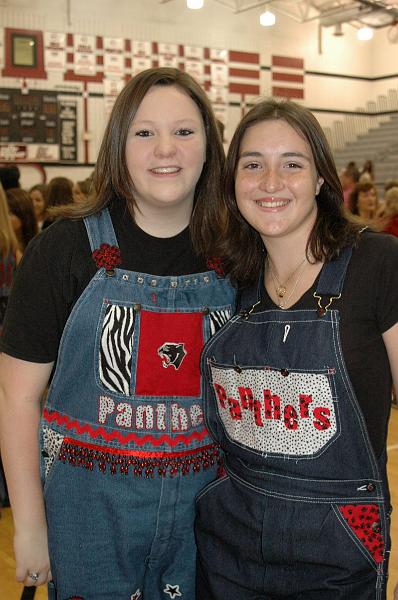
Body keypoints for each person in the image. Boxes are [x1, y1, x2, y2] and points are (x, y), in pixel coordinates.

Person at [0, 67, 235, 600]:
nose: (165, 149)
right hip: (86, 522)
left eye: (184, 131)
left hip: (204, 523)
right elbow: (16, 397)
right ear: (118, 144)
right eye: (144, 132)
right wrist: (31, 528)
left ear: (209, 145)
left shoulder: (238, 254)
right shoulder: (61, 250)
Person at [195, 98, 398, 599]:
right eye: (252, 165)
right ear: (232, 182)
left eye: (292, 164)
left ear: (321, 179)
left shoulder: (377, 263)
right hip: (227, 548)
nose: (270, 182)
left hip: (338, 552)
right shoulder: (228, 281)